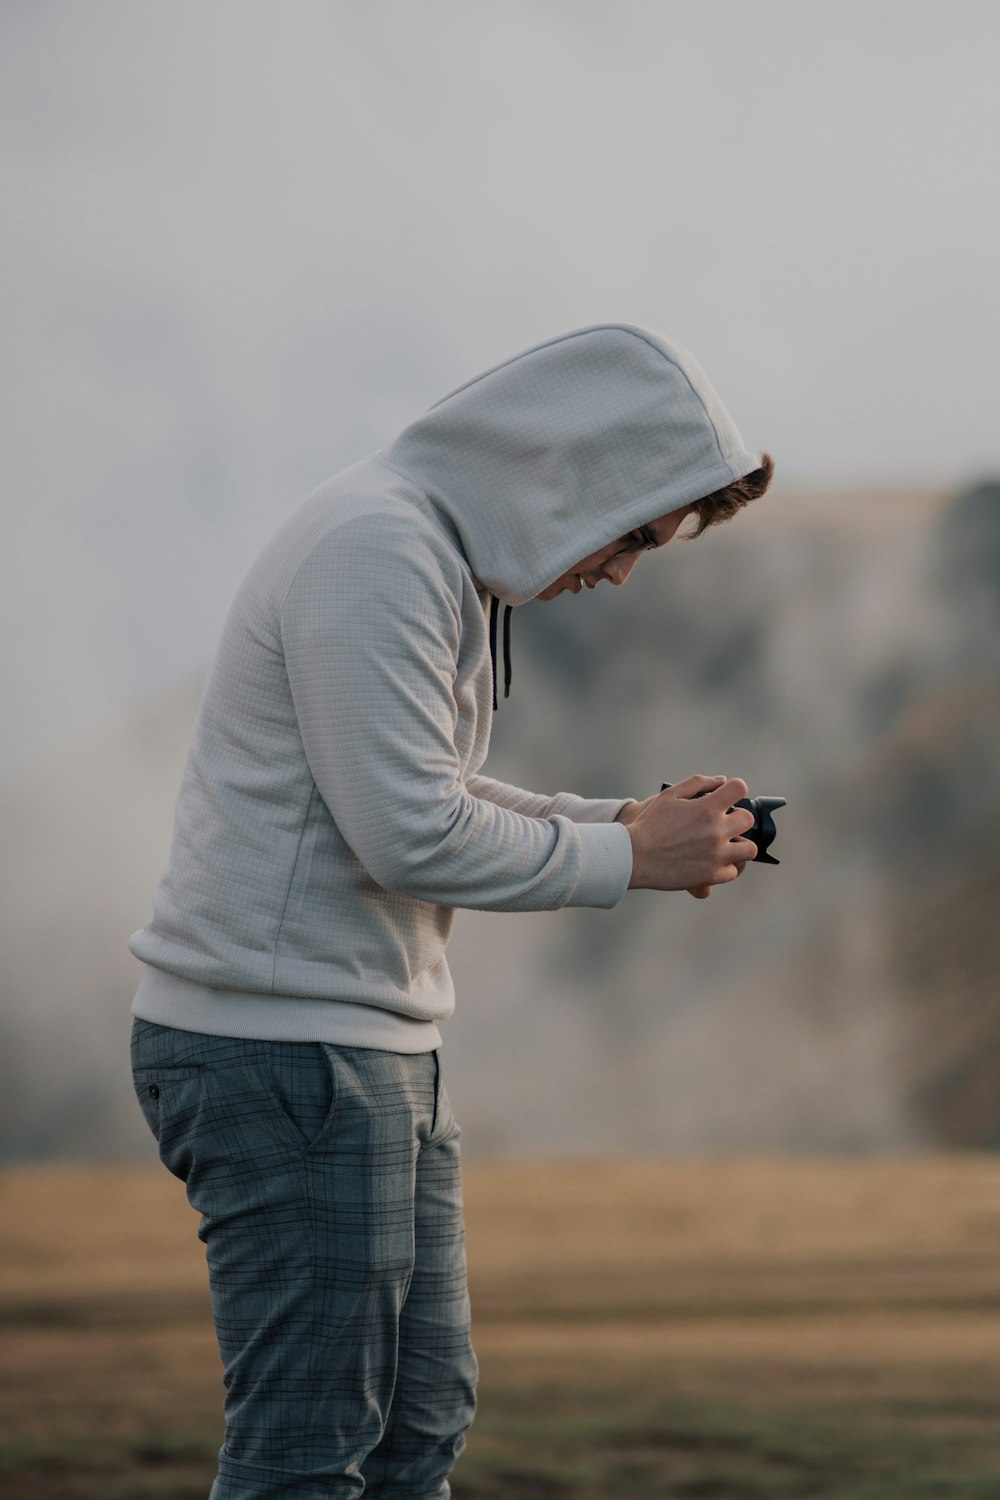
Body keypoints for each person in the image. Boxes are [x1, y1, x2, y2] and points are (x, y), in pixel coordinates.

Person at [128, 321, 774, 1499]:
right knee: (309, 1459)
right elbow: (410, 834)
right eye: (631, 532)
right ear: (570, 472)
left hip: (359, 1048)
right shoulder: (376, 550)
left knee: (415, 1430)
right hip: (287, 1053)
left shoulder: (430, 552)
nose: (621, 572)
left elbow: (429, 790)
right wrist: (626, 860)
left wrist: (627, 821)